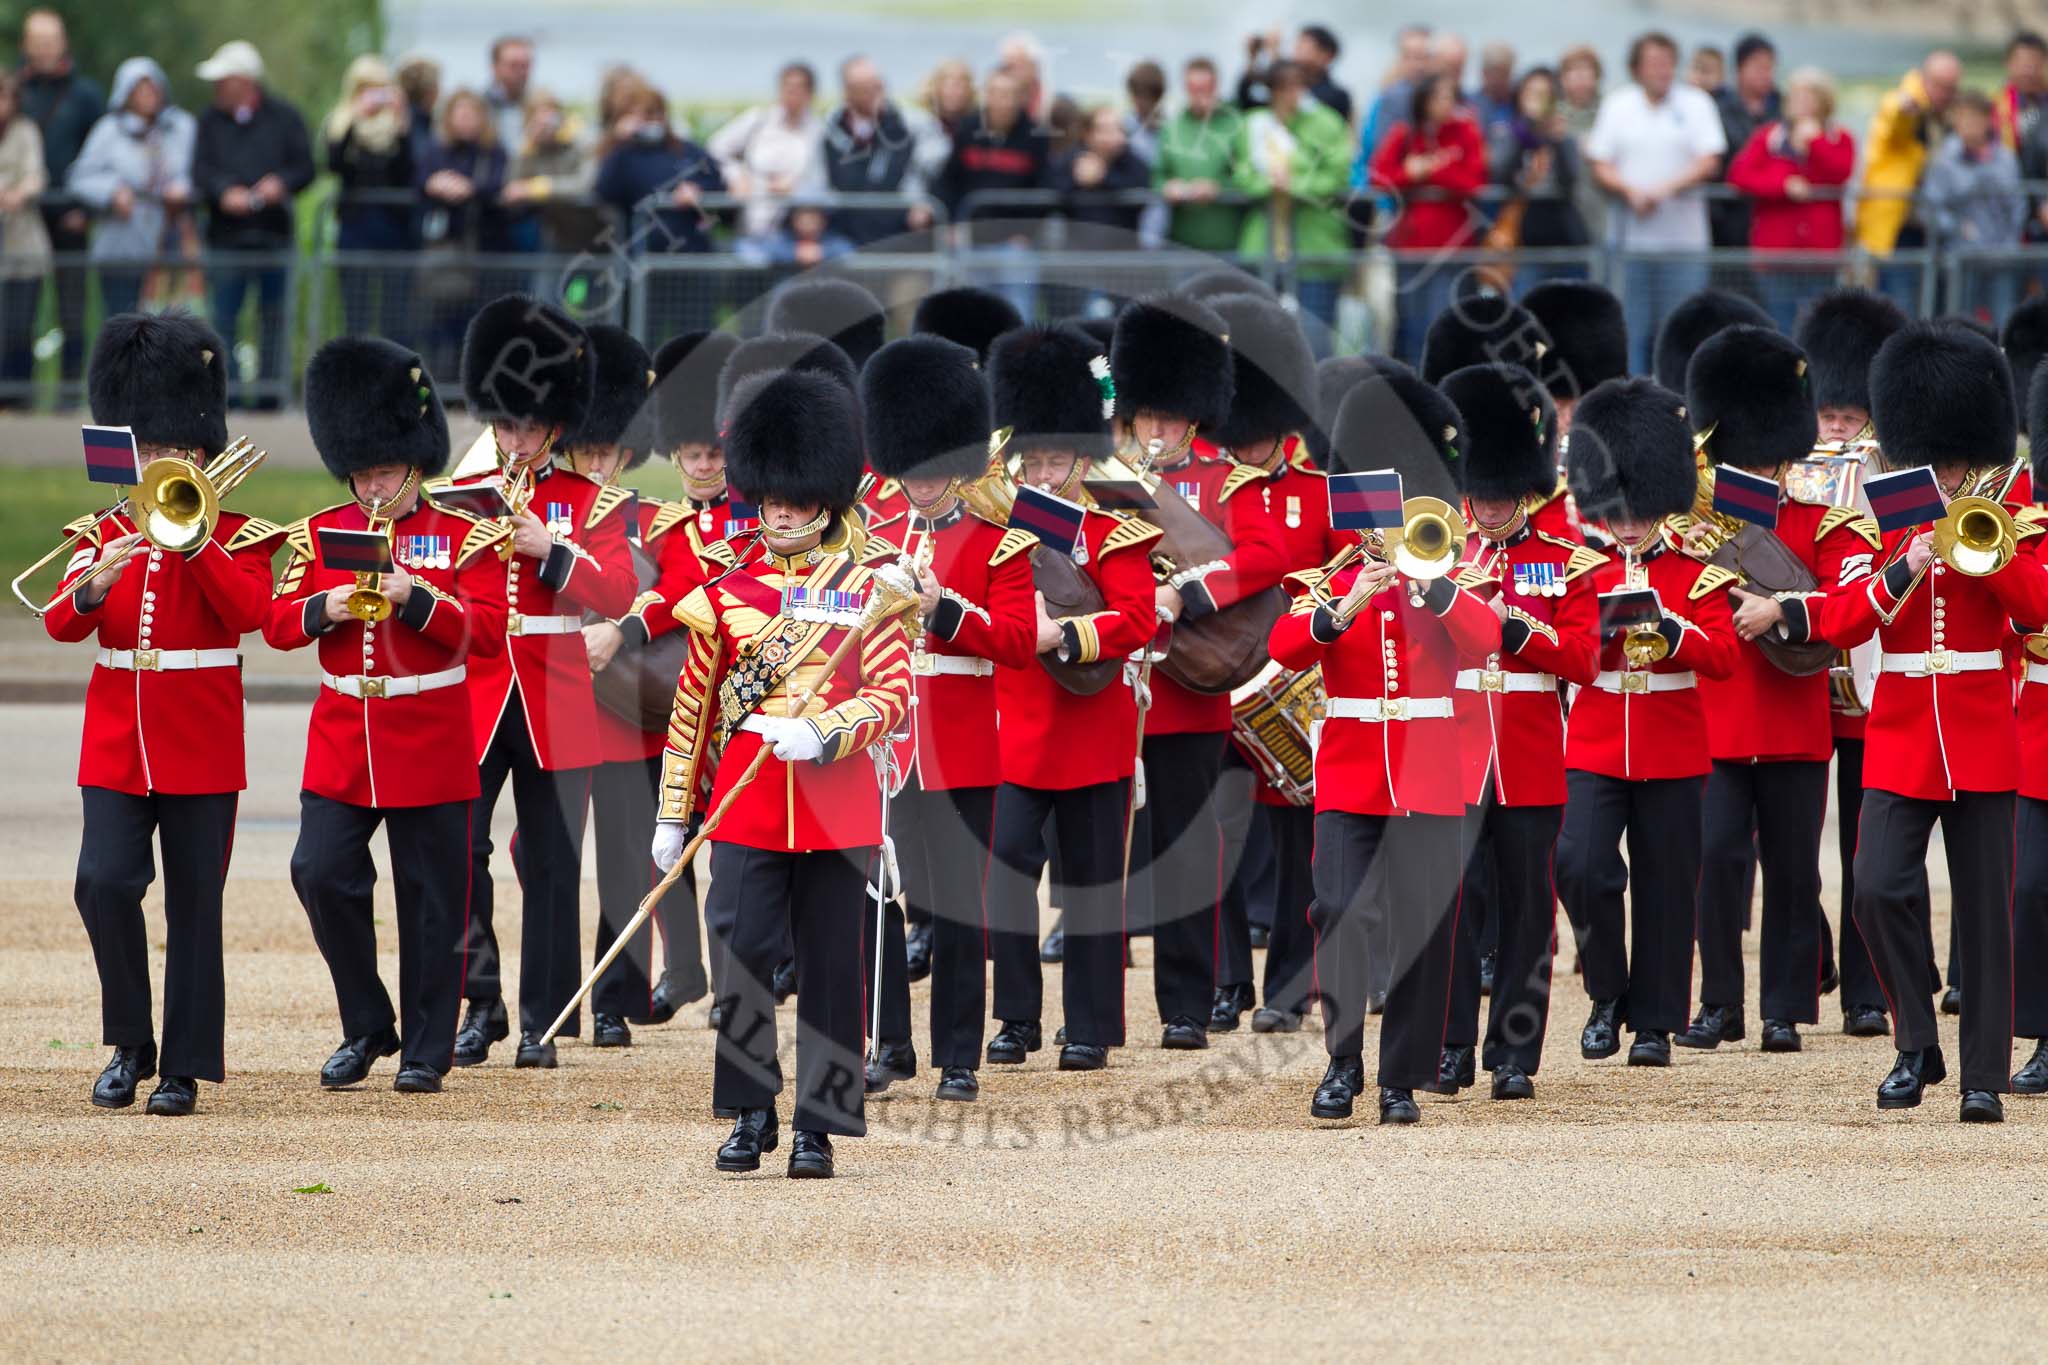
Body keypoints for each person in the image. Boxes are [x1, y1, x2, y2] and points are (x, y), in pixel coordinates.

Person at [651, 367, 914, 1179]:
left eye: (796, 502)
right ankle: (751, 1110)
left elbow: (894, 694)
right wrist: (673, 811)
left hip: (835, 807)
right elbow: (693, 707)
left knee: (833, 965)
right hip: (746, 806)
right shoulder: (725, 594)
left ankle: (819, 1124)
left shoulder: (869, 592)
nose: (782, 513)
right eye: (771, 500)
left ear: (824, 501)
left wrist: (825, 733)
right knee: (740, 954)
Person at [44, 311, 281, 1116]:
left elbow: (252, 610)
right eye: (148, 448)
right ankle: (129, 1042)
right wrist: (95, 582)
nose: (158, 461)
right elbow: (60, 622)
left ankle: (181, 1065)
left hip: (201, 741)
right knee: (102, 883)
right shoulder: (103, 530)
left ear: (202, 449)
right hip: (116, 739)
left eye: (173, 448)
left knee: (194, 907)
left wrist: (194, 542)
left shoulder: (239, 532)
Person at [1817, 322, 2048, 1121]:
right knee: (1876, 888)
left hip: (1985, 725)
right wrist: (1909, 561)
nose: (1949, 472)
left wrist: (1991, 553)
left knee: (1986, 912)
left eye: (1958, 459)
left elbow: (2039, 607)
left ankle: (1983, 1075)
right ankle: (1916, 1041)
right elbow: (1843, 619)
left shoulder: (2011, 508)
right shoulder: (1882, 512)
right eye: (1938, 456)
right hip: (1904, 727)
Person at [266, 338, 509, 1094]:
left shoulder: (465, 533)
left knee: (433, 900)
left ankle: (425, 1051)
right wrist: (322, 606)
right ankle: (368, 1022)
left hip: (430, 731)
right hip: (344, 736)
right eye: (363, 472)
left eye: (386, 472)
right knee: (320, 871)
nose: (374, 486)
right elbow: (276, 623)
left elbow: (489, 631)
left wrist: (416, 597)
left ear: (416, 462)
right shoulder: (320, 532)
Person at [1272, 368, 1501, 1124]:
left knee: (1424, 924)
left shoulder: (1445, 569)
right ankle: (1342, 1062)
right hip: (1349, 767)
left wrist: (1432, 584)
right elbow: (1285, 643)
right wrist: (1342, 609)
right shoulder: (1333, 576)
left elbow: (1486, 641)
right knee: (1334, 908)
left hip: (1429, 769)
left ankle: (1400, 1078)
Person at [449, 296, 637, 1070]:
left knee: (555, 861)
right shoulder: (466, 496)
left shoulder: (591, 502)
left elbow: (618, 592)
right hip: (484, 686)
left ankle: (544, 1016)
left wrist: (550, 547)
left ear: (553, 428)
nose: (516, 438)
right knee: (456, 847)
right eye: (505, 425)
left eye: (528, 427)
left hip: (557, 687)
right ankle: (481, 995)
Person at [1678, 325, 1876, 1055]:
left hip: (1795, 720)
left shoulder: (1820, 521)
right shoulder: (1695, 526)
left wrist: (1783, 608)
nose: (1760, 465)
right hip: (1721, 719)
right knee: (1719, 861)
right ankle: (1720, 1002)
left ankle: (1785, 1007)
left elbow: (1844, 607)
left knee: (1793, 870)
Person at [858, 336, 1036, 1099]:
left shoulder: (1000, 544)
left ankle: (958, 1054)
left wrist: (944, 609)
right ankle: (888, 1043)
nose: (922, 484)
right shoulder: (870, 539)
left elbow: (1021, 644)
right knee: (878, 900)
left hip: (960, 744)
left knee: (960, 908)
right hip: (885, 741)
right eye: (911, 468)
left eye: (933, 468)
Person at [980, 324, 1160, 1074]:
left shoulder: (1116, 520)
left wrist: (1069, 635)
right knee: (1007, 875)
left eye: (1057, 457)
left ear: (1081, 456)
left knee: (1090, 885)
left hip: (1091, 725)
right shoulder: (1000, 517)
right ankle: (1018, 1016)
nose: (1046, 470)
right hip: (1022, 724)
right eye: (1037, 456)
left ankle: (1090, 1026)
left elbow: (1139, 619)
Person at [1113, 296, 1290, 1045]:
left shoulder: (1228, 480)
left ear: (1195, 416)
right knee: (1116, 855)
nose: (1157, 429)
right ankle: (1097, 1014)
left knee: (1187, 846)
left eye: (1170, 417)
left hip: (1191, 690)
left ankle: (1187, 1005)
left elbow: (1265, 557)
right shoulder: (1108, 479)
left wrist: (1188, 590)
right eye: (1146, 414)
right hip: (1118, 684)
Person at [1553, 376, 1740, 1069]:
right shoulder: (1582, 571)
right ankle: (1607, 992)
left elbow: (1722, 657)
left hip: (1671, 744)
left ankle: (1656, 1021)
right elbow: (1570, 654)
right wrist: (1606, 628)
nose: (1629, 523)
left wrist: (1673, 631)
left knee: (1667, 885)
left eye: (1641, 509)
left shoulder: (1698, 573)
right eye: (1619, 509)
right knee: (1581, 865)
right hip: (1598, 741)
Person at [1439, 361, 1603, 1099]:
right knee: (1455, 908)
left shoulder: (1566, 563)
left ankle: (1513, 1055)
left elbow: (1584, 659)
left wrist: (1513, 627)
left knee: (1529, 913)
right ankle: (1448, 1046)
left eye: (1499, 492)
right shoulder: (1442, 553)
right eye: (1478, 491)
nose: (1486, 505)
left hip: (1530, 751)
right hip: (1458, 749)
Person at [543, 323, 705, 1046]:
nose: (597, 467)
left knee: (623, 857)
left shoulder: (654, 518)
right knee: (540, 853)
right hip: (550, 705)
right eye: (585, 454)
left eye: (606, 453)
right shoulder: (542, 515)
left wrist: (627, 624)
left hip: (623, 710)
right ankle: (544, 995)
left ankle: (615, 999)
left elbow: (683, 587)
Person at [1203, 293, 1326, 1031]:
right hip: (1217, 678)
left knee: (1293, 848)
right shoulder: (1204, 490)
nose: (1245, 449)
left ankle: (1288, 983)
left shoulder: (1318, 490)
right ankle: (1226, 980)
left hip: (1291, 687)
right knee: (1216, 836)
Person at [1793, 288, 1913, 1038]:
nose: (1837, 424)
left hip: (1868, 676)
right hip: (1804, 674)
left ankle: (1865, 991)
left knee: (1866, 845)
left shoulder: (1892, 468)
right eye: (1828, 413)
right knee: (1789, 843)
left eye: (1847, 412)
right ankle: (1814, 953)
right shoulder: (1790, 467)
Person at [1585, 33, 1726, 376]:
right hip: (1632, 245)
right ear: (1636, 68)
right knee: (1632, 329)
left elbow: (1710, 159)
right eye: (1654, 63)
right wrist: (1630, 191)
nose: (1662, 70)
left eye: (1667, 62)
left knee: (1682, 331)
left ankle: (1681, 404)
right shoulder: (1618, 105)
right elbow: (1600, 162)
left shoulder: (1697, 103)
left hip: (1684, 245)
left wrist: (1664, 190)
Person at [191, 40, 313, 410]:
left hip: (273, 236)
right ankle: (224, 398)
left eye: (223, 80)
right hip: (226, 238)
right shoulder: (209, 121)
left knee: (274, 321)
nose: (216, 88)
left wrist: (280, 185)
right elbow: (200, 170)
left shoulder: (285, 117)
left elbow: (306, 167)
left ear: (244, 82)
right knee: (223, 322)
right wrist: (222, 191)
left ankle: (268, 398)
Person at [1232, 61, 1355, 345]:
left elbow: (1338, 176)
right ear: (1271, 91)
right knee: (1260, 339)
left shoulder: (1326, 122)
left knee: (1315, 339)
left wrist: (1295, 184)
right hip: (1264, 246)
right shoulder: (1254, 124)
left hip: (1317, 248)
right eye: (1284, 88)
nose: (1292, 95)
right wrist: (1268, 184)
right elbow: (1242, 174)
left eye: (1298, 87)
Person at [1726, 66, 1855, 332]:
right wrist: (1782, 185)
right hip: (1776, 253)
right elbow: (1739, 175)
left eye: (1808, 97)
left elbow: (1840, 172)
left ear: (1823, 102)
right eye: (1795, 97)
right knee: (1780, 325)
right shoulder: (1769, 137)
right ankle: (1786, 374)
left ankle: (1812, 374)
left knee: (1817, 329)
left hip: (1820, 255)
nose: (1799, 104)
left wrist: (1816, 142)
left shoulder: (1839, 138)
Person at [1371, 71, 1486, 364]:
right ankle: (1414, 392)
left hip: (1454, 248)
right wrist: (1408, 174)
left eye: (1450, 97)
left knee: (1448, 323)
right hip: (1412, 246)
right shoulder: (1404, 133)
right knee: (1412, 324)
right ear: (1423, 101)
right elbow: (1378, 177)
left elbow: (1474, 181)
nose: (1446, 103)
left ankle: (1448, 388)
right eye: (1439, 97)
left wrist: (1432, 171)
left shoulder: (1466, 132)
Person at [69, 58, 196, 321]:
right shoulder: (108, 131)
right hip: (122, 247)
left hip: (171, 245)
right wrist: (113, 190)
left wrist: (182, 188)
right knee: (125, 324)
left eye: (153, 88)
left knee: (173, 326)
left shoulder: (181, 127)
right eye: (140, 89)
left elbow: (198, 170)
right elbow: (80, 176)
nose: (149, 96)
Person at [18, 8, 100, 392]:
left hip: (70, 215)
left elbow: (100, 155)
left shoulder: (85, 96)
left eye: (51, 41)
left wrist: (85, 209)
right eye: (38, 41)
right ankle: (18, 392)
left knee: (71, 309)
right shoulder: (16, 91)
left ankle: (69, 390)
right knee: (21, 307)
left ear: (63, 43)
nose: (45, 49)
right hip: (24, 217)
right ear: (26, 46)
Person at [936, 70, 1050, 320]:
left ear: (1020, 98)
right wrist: (952, 225)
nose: (1002, 102)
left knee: (1018, 312)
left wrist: (1027, 233)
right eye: (996, 94)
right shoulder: (968, 130)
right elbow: (947, 181)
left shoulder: (1035, 137)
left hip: (1014, 244)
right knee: (971, 314)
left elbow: (1045, 189)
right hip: (972, 241)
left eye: (1008, 95)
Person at [413, 89, 509, 378]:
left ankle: (475, 383)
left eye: (472, 114)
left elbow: (499, 185)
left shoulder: (494, 152)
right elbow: (418, 180)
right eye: (461, 113)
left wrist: (470, 188)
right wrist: (435, 183)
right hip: (444, 247)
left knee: (480, 322)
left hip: (483, 249)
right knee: (440, 319)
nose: (467, 120)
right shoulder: (435, 150)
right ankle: (442, 381)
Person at [1856, 52, 1962, 309]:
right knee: (1897, 307)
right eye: (1939, 85)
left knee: (1937, 306)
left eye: (1951, 88)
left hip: (1937, 228)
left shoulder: (1950, 119)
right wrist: (1904, 107)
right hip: (1899, 227)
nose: (1944, 94)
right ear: (1923, 78)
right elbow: (1895, 118)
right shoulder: (1905, 105)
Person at [322, 56, 415, 340]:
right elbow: (335, 165)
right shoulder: (339, 123)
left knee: (395, 317)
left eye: (379, 87)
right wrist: (355, 120)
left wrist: (401, 126)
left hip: (393, 229)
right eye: (366, 88)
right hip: (355, 229)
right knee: (356, 316)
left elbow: (406, 170)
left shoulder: (399, 126)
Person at [1925, 89, 2027, 325]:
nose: (1970, 125)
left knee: (2005, 322)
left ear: (1988, 121)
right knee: (1961, 325)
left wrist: (2010, 244)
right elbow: (1931, 208)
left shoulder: (2006, 159)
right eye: (1964, 118)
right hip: (1962, 259)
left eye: (1976, 118)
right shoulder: (1944, 160)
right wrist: (1958, 228)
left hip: (2002, 258)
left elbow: (2018, 206)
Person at [821, 56, 942, 248]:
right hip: (843, 234)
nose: (876, 93)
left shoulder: (912, 125)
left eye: (878, 86)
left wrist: (921, 204)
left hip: (898, 231)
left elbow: (929, 171)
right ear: (847, 92)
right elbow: (821, 181)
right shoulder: (829, 129)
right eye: (865, 88)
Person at [708, 62, 825, 258]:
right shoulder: (758, 121)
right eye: (787, 88)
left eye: (798, 89)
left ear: (810, 93)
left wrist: (796, 188)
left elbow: (822, 181)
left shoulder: (818, 131)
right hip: (751, 227)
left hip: (792, 234)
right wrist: (736, 174)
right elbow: (715, 149)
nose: (791, 94)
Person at [1489, 67, 1591, 292]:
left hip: (1565, 239)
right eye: (1532, 93)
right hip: (1525, 241)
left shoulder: (1562, 136)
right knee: (1526, 313)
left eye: (1545, 95)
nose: (1538, 102)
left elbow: (1569, 181)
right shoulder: (1508, 132)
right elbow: (1503, 176)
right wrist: (1526, 131)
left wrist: (1555, 139)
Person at [1152, 58, 1245, 255]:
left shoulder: (1236, 125)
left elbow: (1249, 177)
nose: (1200, 95)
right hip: (1182, 244)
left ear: (1216, 87)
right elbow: (1157, 175)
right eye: (1194, 89)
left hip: (1227, 242)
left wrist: (1219, 187)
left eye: (1206, 88)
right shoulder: (1172, 128)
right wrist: (1168, 187)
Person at [503, 90, 604, 254]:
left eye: (550, 117)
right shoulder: (529, 148)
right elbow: (511, 186)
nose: (546, 125)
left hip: (594, 231)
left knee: (583, 279)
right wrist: (526, 147)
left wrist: (537, 188)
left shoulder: (582, 140)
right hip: (554, 235)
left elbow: (585, 184)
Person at [0, 70, 51, 397]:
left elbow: (36, 175)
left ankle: (20, 399)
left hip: (22, 245)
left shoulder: (25, 132)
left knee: (20, 328)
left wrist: (18, 193)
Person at [1710, 33, 1782, 249]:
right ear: (1740, 68)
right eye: (1759, 67)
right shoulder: (1717, 107)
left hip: (1768, 214)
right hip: (1726, 215)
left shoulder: (1783, 108)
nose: (1766, 74)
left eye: (1769, 67)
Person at [1557, 44, 1608, 252]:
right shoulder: (1552, 115)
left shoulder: (1611, 111)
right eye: (1574, 72)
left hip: (1600, 208)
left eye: (1586, 72)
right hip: (1564, 211)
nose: (1580, 78)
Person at [485, 35, 534, 151]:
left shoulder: (538, 106)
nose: (521, 72)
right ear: (494, 67)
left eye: (525, 66)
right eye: (513, 66)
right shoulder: (479, 107)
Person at [1474, 42, 1518, 134]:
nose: (1499, 79)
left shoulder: (1518, 103)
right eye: (1495, 72)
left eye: (1504, 73)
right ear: (1483, 73)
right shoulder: (1470, 105)